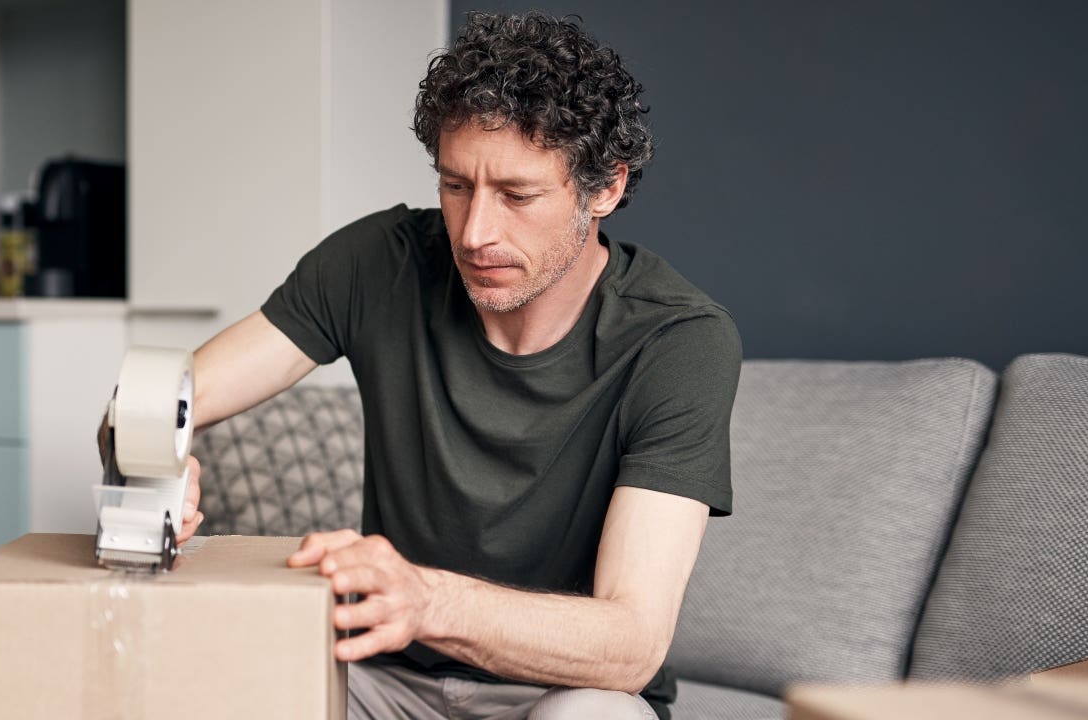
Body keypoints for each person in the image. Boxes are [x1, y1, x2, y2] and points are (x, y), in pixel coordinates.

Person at [159, 11, 740, 720]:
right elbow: (162, 397)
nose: (475, 233)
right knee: (216, 687)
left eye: (518, 196)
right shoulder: (380, 263)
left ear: (605, 189)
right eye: (456, 185)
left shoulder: (679, 340)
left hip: (561, 690)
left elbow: (631, 643)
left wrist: (426, 601)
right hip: (380, 681)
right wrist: (149, 454)